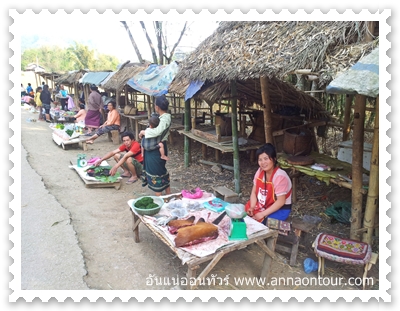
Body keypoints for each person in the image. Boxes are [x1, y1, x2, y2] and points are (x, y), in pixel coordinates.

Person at [245, 143, 293, 224]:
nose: (263, 162)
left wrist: (262, 214)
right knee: (247, 215)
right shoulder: (260, 171)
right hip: (264, 204)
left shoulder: (280, 176)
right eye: (260, 160)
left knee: (260, 223)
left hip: (280, 208)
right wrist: (252, 207)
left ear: (274, 159)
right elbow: (254, 192)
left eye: (266, 159)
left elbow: (281, 202)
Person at [138, 95, 172, 196]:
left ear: (157, 107)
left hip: (156, 148)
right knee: (159, 171)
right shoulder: (160, 117)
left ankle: (161, 198)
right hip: (153, 147)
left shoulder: (165, 118)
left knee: (156, 172)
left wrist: (144, 132)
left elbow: (157, 132)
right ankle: (167, 195)